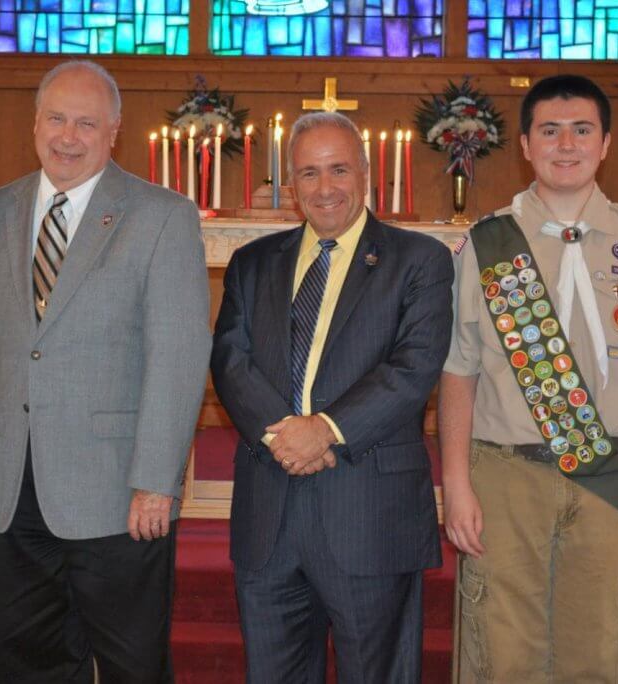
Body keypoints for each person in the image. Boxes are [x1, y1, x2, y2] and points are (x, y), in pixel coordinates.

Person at [440, 74, 618, 683]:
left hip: (609, 473)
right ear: (526, 146)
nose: (567, 144)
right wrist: (455, 483)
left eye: (582, 130)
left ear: (606, 143)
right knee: (502, 654)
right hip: (505, 474)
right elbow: (458, 372)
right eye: (550, 131)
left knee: (598, 649)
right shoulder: (486, 245)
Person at [0, 60, 210, 683]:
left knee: (131, 664)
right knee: (31, 660)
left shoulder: (161, 215)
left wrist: (157, 481)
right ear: (35, 122)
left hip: (118, 489)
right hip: (16, 481)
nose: (69, 136)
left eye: (86, 123)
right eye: (57, 119)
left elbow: (178, 356)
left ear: (114, 130)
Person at [210, 111, 453, 683]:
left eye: (339, 169)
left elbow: (414, 366)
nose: (325, 188)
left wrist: (323, 430)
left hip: (369, 513)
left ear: (366, 173)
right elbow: (229, 359)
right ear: (290, 186)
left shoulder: (418, 260)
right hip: (269, 512)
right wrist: (281, 433)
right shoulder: (252, 262)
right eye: (310, 173)